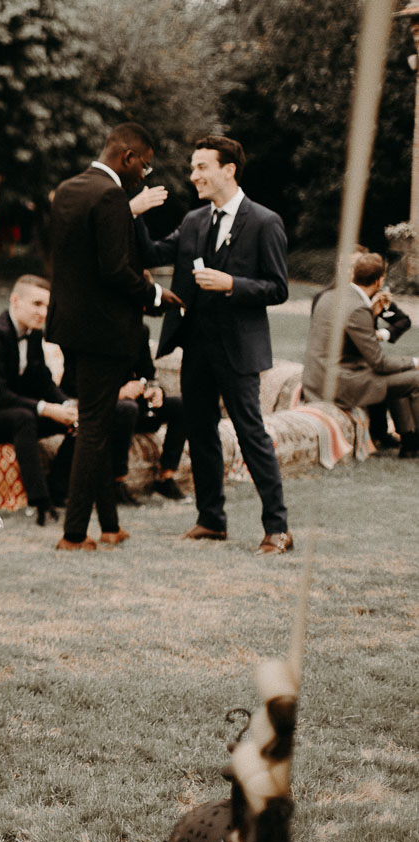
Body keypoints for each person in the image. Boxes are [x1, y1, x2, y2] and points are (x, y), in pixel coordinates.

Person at [139, 134, 291, 554]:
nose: (194, 175)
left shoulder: (265, 221)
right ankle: (211, 520)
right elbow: (150, 252)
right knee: (199, 432)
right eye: (193, 167)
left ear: (229, 170)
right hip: (197, 349)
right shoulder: (193, 221)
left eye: (202, 166)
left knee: (250, 433)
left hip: (239, 350)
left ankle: (277, 528)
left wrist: (232, 284)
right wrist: (132, 212)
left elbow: (278, 289)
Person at [47, 122, 179, 552]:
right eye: (145, 164)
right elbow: (116, 271)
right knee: (94, 428)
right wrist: (159, 294)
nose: (145, 173)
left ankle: (109, 526)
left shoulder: (67, 189)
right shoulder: (112, 196)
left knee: (97, 422)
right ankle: (72, 535)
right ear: (127, 158)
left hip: (71, 328)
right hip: (104, 333)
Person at [0, 276, 77, 525]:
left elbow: (44, 381)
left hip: (11, 413)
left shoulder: (32, 334)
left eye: (47, 307)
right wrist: (45, 409)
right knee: (24, 417)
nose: (43, 312)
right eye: (37, 304)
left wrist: (67, 406)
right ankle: (40, 502)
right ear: (15, 301)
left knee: (78, 422)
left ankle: (58, 491)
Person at [302, 251, 419, 457]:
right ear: (380, 280)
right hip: (341, 383)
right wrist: (414, 361)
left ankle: (410, 441)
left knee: (401, 376)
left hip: (319, 377)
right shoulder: (357, 308)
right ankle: (412, 440)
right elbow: (379, 363)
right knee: (413, 377)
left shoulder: (329, 296)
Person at [108, 325, 187, 505]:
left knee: (181, 405)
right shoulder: (97, 329)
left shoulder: (140, 331)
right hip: (108, 405)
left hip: (137, 404)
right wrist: (119, 392)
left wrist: (156, 390)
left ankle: (165, 477)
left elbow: (148, 373)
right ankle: (116, 483)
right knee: (128, 408)